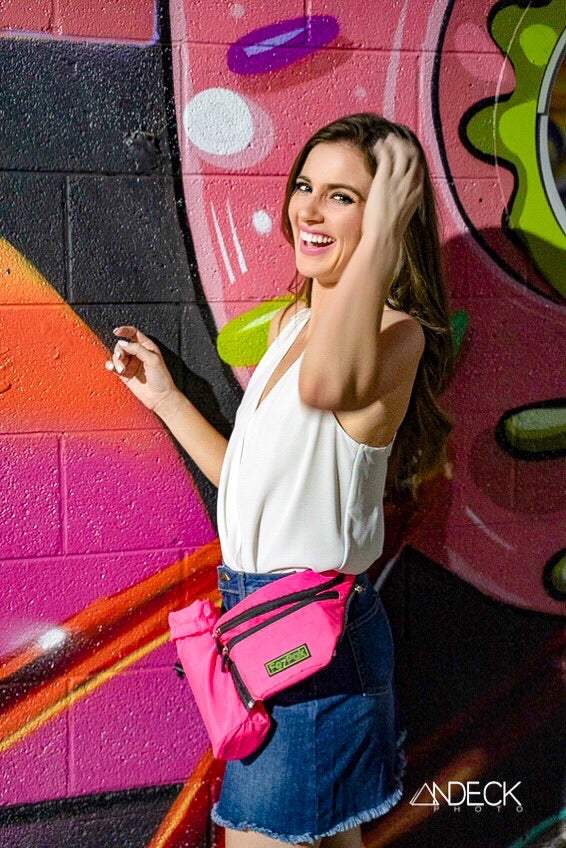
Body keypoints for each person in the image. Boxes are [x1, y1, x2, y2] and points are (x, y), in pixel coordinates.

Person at [105, 113, 455, 848]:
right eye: (305, 187)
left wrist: (386, 230)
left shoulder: (399, 335)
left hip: (310, 639)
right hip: (269, 632)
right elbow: (248, 480)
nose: (310, 210)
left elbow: (330, 384)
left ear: (390, 214)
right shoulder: (288, 325)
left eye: (344, 197)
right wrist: (167, 397)